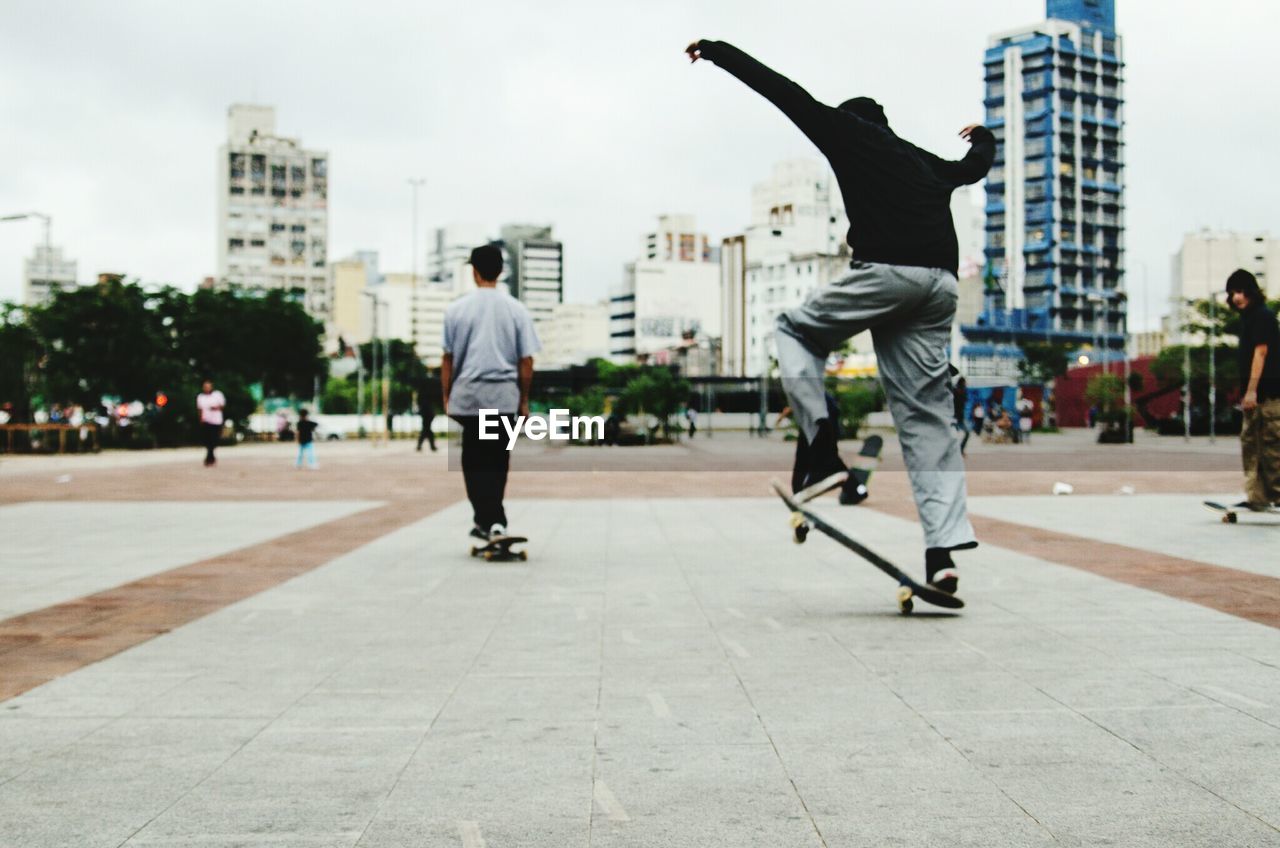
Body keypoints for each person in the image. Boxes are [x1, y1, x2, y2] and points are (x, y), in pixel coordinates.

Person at [687, 38, 993, 594]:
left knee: (794, 330)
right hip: (940, 289)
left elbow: (784, 92)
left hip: (890, 274)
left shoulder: (845, 133)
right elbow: (972, 169)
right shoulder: (920, 159)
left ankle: (823, 450)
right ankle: (942, 555)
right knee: (927, 419)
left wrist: (716, 51)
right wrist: (986, 138)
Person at [441, 245, 540, 542]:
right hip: (502, 398)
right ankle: (494, 521)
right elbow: (527, 361)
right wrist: (523, 400)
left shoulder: (456, 310)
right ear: (501, 271)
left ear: (474, 272)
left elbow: (447, 360)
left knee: (473, 460)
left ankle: (487, 520)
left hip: (469, 397)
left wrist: (446, 397)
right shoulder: (517, 310)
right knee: (497, 460)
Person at [1227, 269, 1280, 509]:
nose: (1237, 297)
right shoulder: (1247, 319)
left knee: (1272, 447)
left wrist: (1251, 391)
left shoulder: (1262, 316)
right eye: (1232, 293)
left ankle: (1277, 495)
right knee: (1251, 444)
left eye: (1240, 291)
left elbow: (1261, 353)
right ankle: (1258, 497)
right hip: (1255, 397)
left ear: (1251, 292)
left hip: (1269, 395)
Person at [196, 380, 226, 467]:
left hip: (216, 421)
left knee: (214, 440)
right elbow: (200, 409)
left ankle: (210, 457)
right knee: (207, 440)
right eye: (205, 387)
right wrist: (201, 418)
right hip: (206, 420)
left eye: (208, 386)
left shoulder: (217, 395)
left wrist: (215, 408)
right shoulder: (200, 397)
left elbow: (222, 406)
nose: (207, 388)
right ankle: (210, 457)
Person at [417, 373, 439, 452]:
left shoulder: (422, 393)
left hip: (425, 410)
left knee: (426, 428)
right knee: (427, 428)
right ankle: (430, 445)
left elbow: (419, 400)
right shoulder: (431, 392)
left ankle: (422, 445)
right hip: (428, 411)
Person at [952, 376, 970, 455]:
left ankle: (960, 449)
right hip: (954, 417)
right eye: (965, 382)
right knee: (953, 435)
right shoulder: (955, 391)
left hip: (960, 417)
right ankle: (956, 450)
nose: (966, 384)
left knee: (966, 433)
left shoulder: (963, 392)